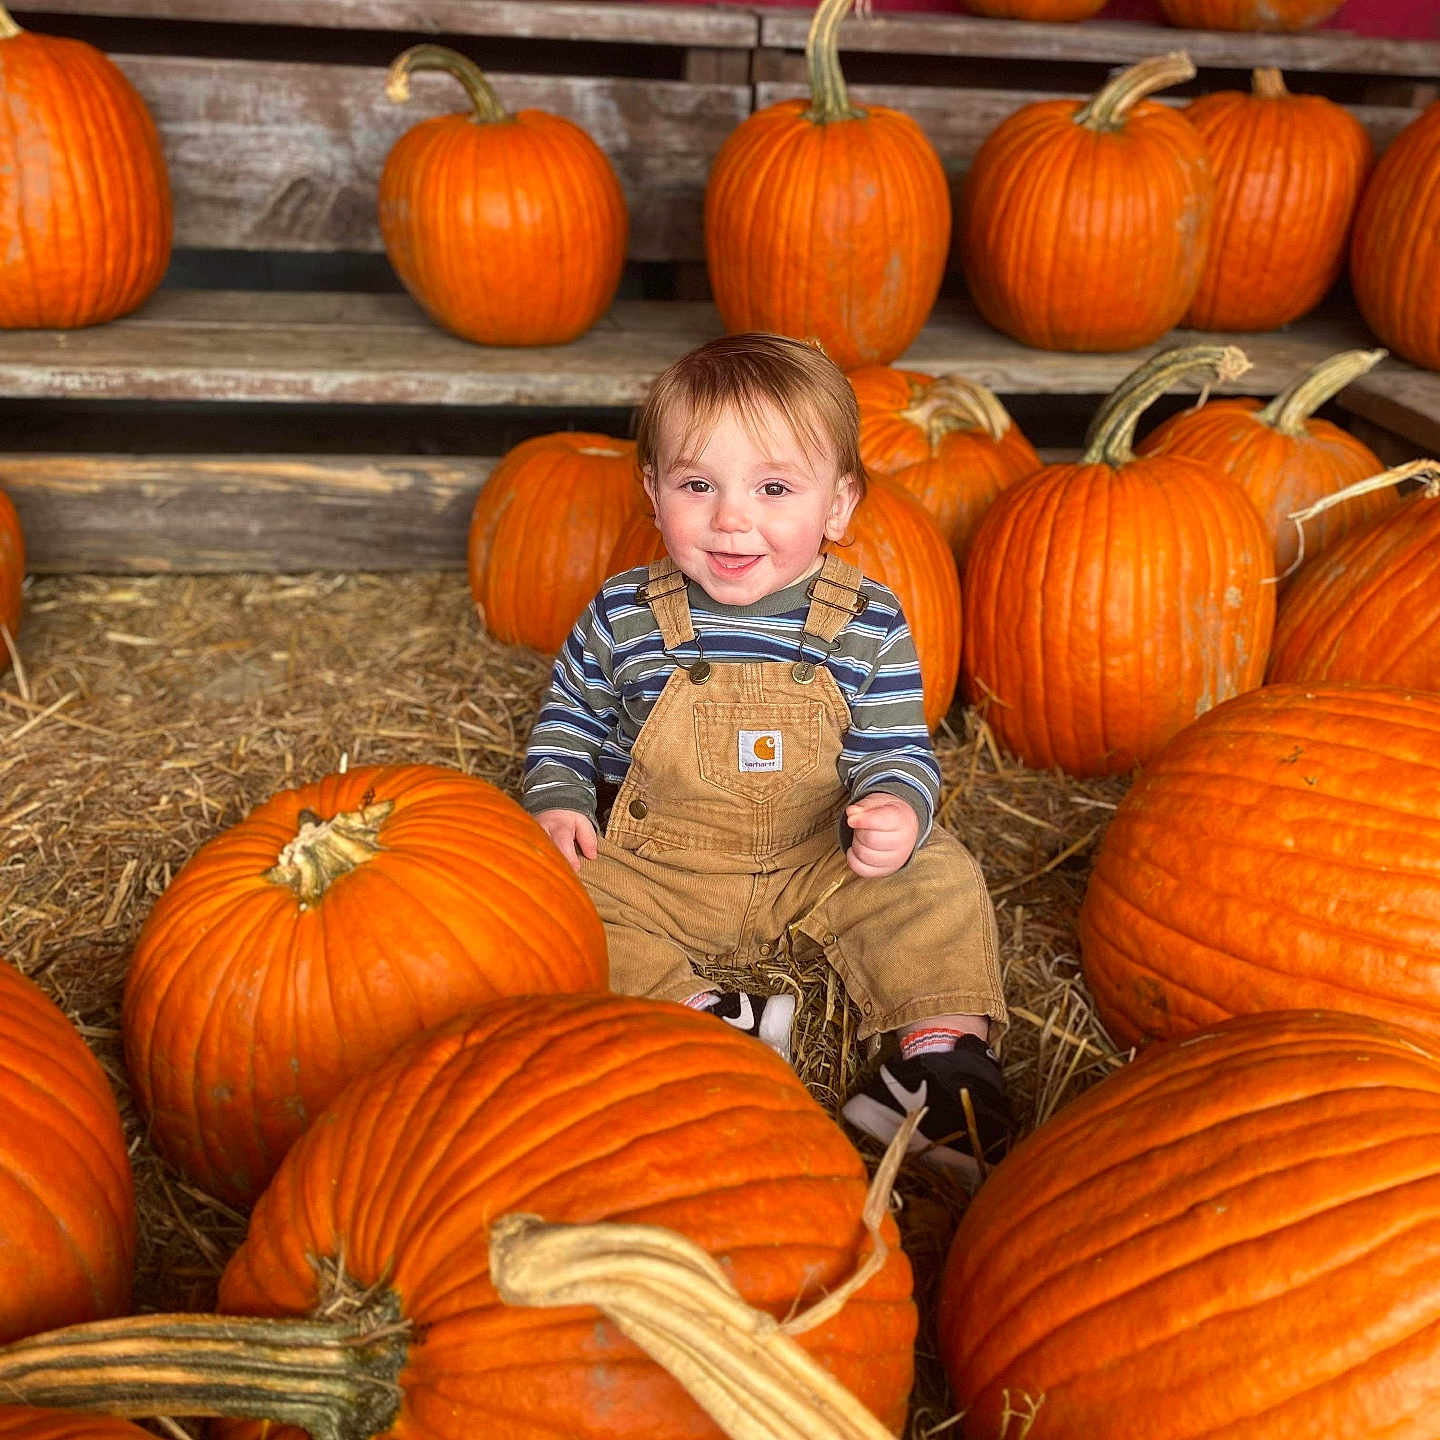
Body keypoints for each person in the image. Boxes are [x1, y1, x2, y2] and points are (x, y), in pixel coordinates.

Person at [522, 332, 1009, 1184]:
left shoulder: (868, 621)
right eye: (697, 484)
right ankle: (715, 1022)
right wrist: (558, 801)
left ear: (838, 506)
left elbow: (898, 747)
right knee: (546, 894)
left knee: (939, 880)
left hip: (816, 857)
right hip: (660, 869)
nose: (731, 518)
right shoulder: (624, 613)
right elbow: (568, 721)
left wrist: (895, 808)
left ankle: (934, 1067)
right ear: (653, 491)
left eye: (774, 487)